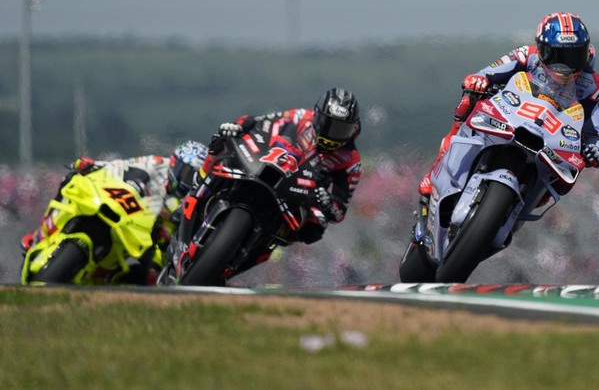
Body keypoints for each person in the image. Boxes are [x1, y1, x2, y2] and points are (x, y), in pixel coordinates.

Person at [418, 12, 599, 199]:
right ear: (542, 49)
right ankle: (437, 168)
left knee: (567, 176)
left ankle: (522, 206)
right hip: (512, 114)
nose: (564, 66)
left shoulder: (596, 87)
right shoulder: (525, 55)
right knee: (468, 101)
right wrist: (478, 81)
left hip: (554, 138)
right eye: (557, 56)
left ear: (586, 53)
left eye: (574, 57)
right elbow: (487, 73)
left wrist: (597, 150)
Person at [173, 87, 362, 277]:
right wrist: (238, 127)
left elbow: (340, 211)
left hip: (302, 194)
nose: (333, 136)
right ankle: (196, 192)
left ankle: (252, 253)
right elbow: (257, 123)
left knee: (314, 230)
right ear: (318, 116)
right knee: (221, 143)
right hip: (265, 166)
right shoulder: (297, 117)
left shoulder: (351, 160)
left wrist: (328, 203)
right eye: (330, 126)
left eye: (341, 129)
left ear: (353, 128)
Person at [20, 140, 208, 262]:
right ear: (175, 162)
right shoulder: (156, 163)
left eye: (192, 177)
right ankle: (39, 236)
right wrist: (93, 165)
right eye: (185, 172)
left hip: (150, 237)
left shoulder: (192, 198)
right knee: (71, 179)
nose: (186, 180)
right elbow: (121, 166)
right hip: (126, 209)